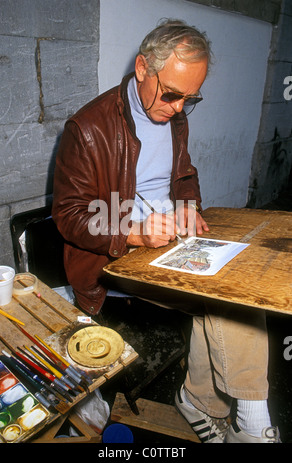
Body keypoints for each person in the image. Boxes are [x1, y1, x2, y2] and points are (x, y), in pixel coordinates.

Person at [52, 19, 280, 443]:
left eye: (189, 99)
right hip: (117, 259)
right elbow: (69, 215)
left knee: (239, 283)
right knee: (225, 297)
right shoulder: (87, 129)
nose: (178, 108)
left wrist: (189, 207)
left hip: (169, 243)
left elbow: (184, 174)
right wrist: (134, 231)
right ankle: (244, 422)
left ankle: (207, 405)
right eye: (172, 94)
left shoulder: (174, 114)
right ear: (142, 67)